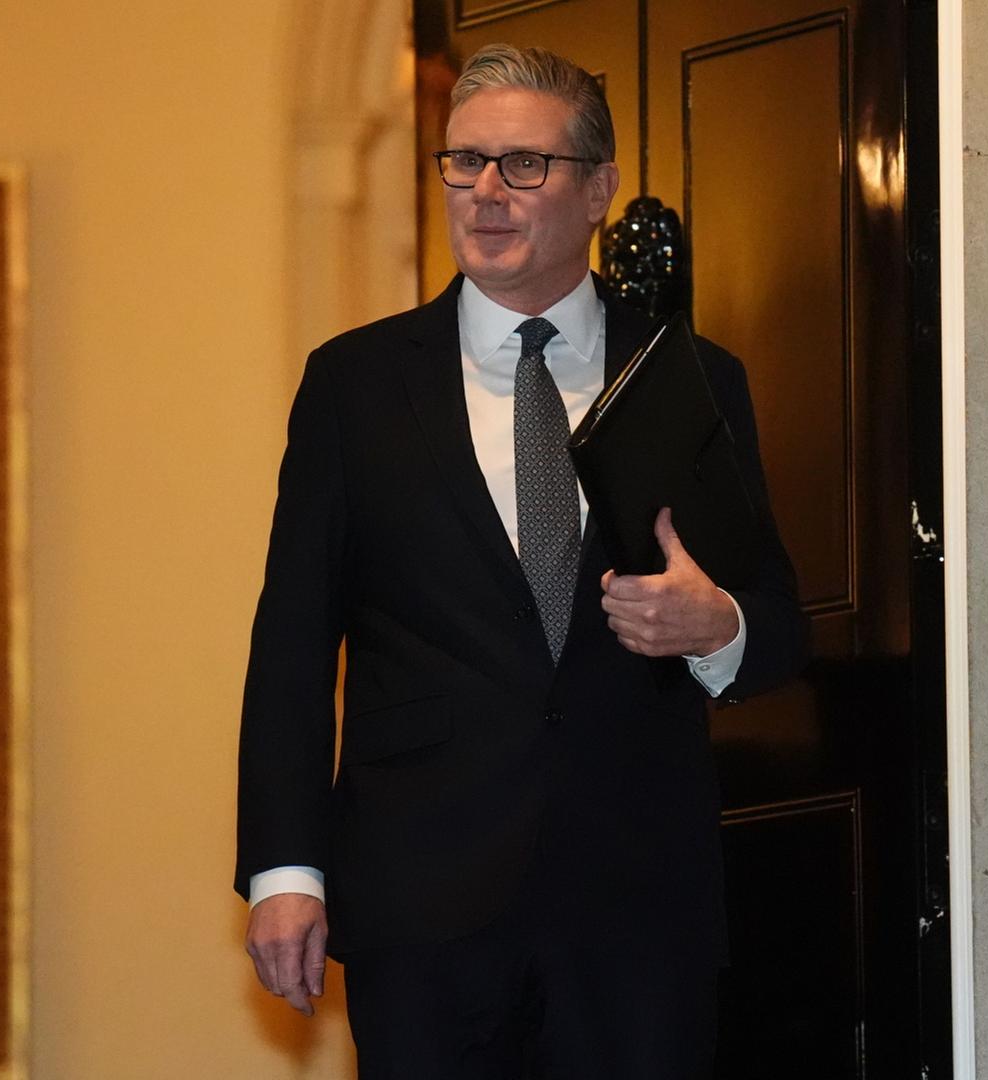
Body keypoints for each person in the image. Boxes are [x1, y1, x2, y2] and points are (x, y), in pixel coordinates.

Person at [234, 43, 807, 1078]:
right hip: (423, 902)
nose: (486, 193)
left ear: (598, 190)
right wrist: (286, 869)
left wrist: (715, 627)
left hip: (636, 910)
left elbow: (777, 622)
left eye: (523, 166)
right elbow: (289, 643)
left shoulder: (688, 377)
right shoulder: (356, 386)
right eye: (465, 162)